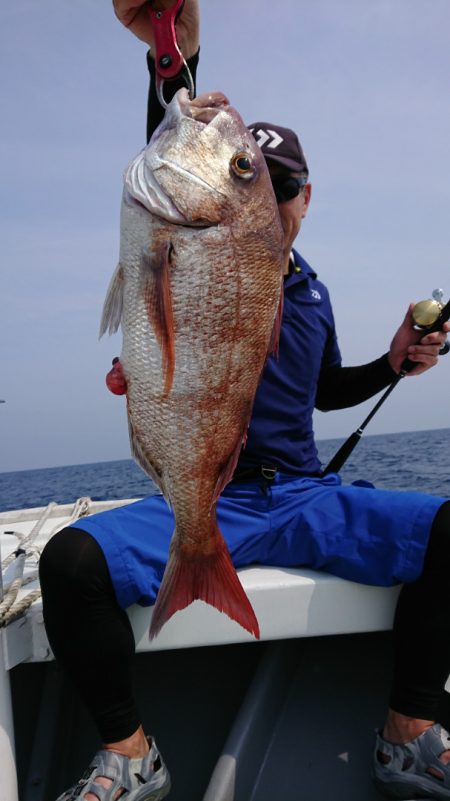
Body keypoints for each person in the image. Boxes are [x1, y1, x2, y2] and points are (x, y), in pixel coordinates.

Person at [39, 2, 450, 800]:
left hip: (300, 494)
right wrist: (173, 55)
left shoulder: (313, 291)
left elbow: (323, 390)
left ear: (302, 196)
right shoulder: (201, 243)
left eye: (285, 182)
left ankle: (408, 732)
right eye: (263, 181)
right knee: (70, 562)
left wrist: (392, 363)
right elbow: (179, 168)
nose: (276, 195)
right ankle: (130, 753)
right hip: (210, 493)